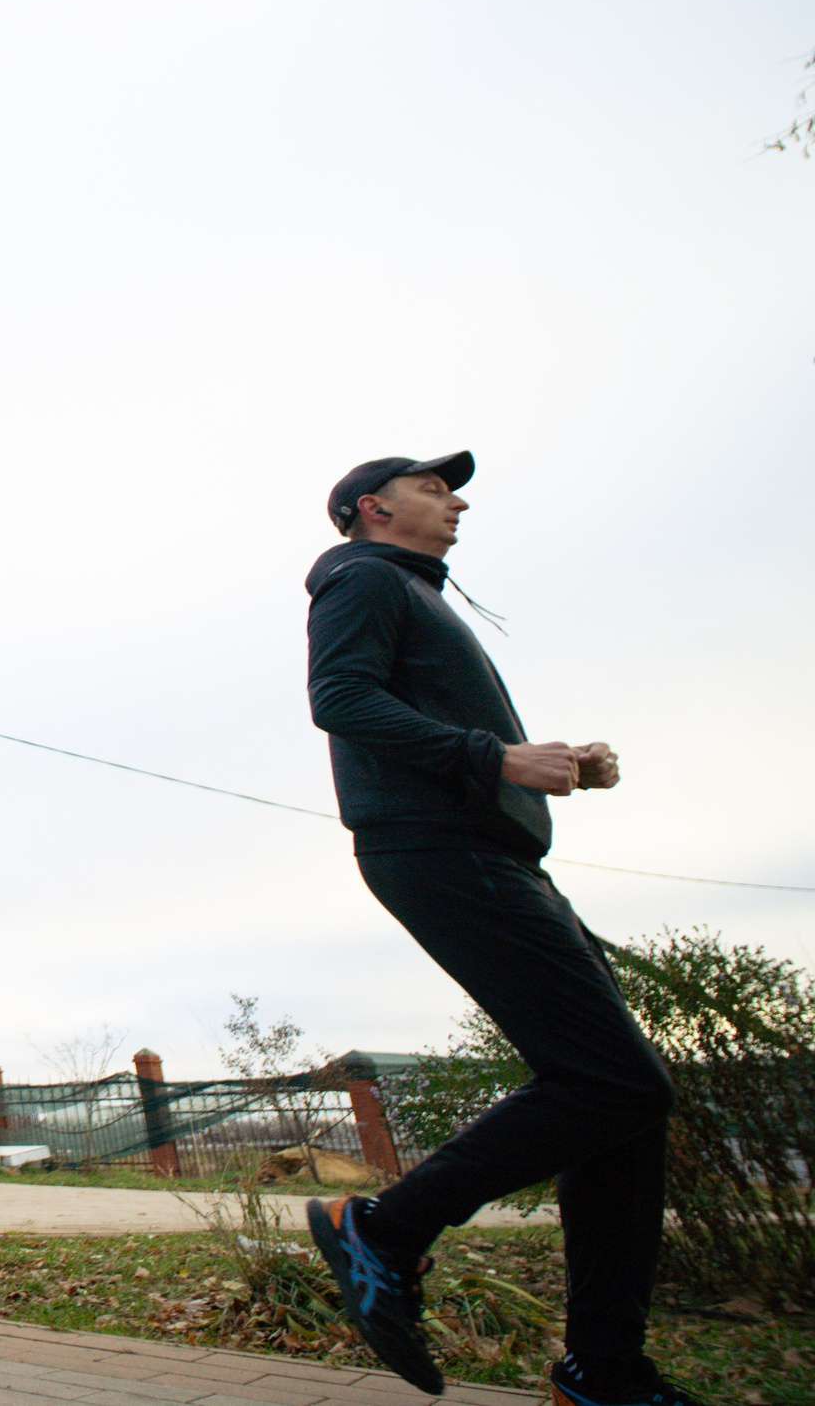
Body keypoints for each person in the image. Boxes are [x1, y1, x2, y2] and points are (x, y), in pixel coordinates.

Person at [300, 454, 693, 1406]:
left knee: (627, 1102)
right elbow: (339, 700)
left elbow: (430, 725)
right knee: (614, 1080)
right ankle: (385, 1229)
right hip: (438, 850)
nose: (458, 500)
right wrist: (497, 757)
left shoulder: (413, 594)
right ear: (372, 507)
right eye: (436, 487)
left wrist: (551, 764)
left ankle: (607, 1371)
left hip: (492, 853)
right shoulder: (358, 577)